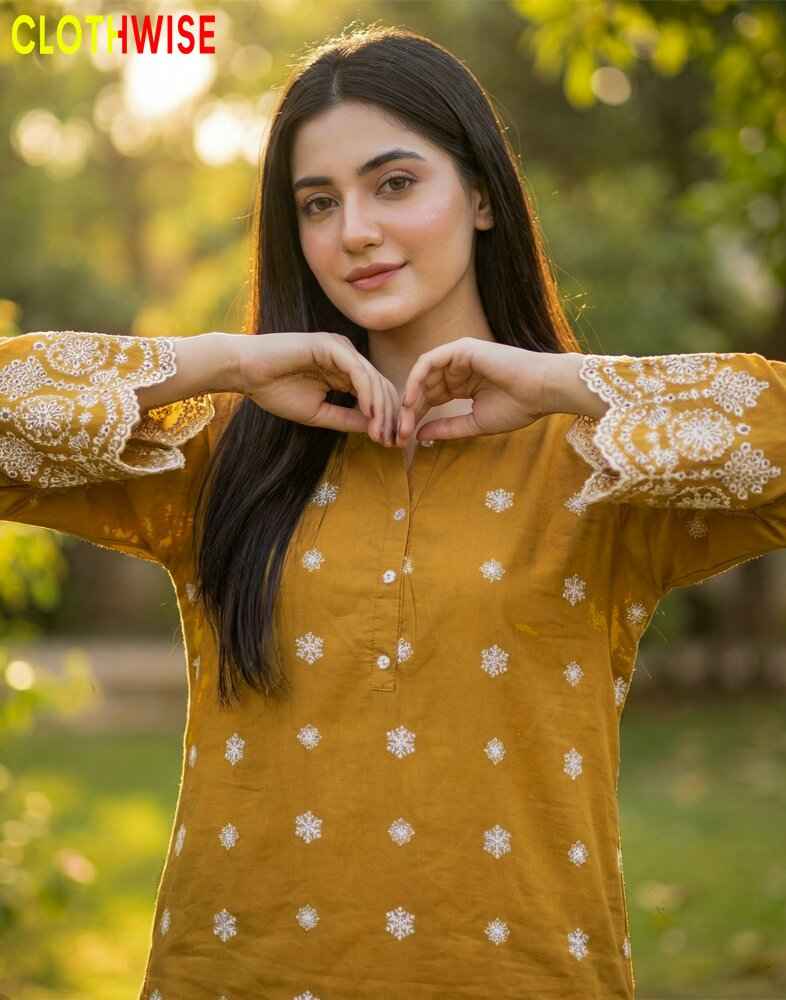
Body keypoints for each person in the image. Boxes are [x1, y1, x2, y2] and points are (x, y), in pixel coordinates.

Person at [5, 23, 785, 1000]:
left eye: (395, 184)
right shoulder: (216, 455)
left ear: (485, 196)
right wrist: (230, 362)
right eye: (317, 205)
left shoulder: (602, 467)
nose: (354, 232)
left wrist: (567, 384)